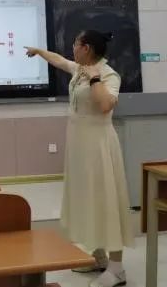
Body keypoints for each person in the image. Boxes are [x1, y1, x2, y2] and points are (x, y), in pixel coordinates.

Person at [25, 30, 133, 287]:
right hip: (80, 148)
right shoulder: (79, 69)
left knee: (106, 202)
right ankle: (98, 256)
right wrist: (39, 52)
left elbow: (106, 105)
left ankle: (117, 268)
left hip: (100, 147)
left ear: (86, 48)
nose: (72, 47)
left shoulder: (108, 74)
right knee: (88, 200)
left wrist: (95, 79)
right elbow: (60, 61)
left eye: (75, 43)